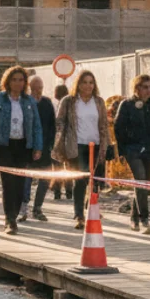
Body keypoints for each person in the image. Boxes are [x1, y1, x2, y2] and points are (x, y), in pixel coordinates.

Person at [0, 66, 44, 235]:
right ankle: (10, 220)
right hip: (4, 146)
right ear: (8, 81)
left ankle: (14, 214)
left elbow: (37, 126)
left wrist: (38, 147)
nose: (17, 83)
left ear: (25, 82)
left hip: (23, 146)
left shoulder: (29, 101)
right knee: (8, 184)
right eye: (14, 80)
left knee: (20, 184)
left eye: (21, 80)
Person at [54, 70, 108, 230]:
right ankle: (79, 215)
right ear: (78, 84)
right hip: (76, 145)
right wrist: (61, 140)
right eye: (85, 82)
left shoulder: (98, 102)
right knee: (81, 179)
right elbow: (60, 121)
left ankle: (92, 207)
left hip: (96, 144)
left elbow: (104, 124)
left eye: (91, 82)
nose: (88, 86)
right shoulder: (69, 101)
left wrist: (107, 145)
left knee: (95, 180)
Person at [114, 74, 150, 234]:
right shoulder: (127, 104)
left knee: (145, 185)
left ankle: (134, 217)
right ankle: (144, 219)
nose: (149, 90)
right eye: (145, 87)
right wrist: (122, 151)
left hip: (148, 149)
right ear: (137, 88)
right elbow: (118, 128)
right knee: (140, 179)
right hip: (132, 149)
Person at [20, 74, 57, 223]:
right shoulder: (24, 102)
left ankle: (38, 208)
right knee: (26, 179)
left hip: (45, 148)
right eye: (34, 88)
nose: (37, 91)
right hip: (27, 148)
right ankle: (23, 208)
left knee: (45, 179)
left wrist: (51, 145)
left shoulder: (47, 103)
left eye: (40, 88)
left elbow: (52, 125)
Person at [50, 84, 74, 206]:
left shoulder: (54, 105)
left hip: (56, 140)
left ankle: (57, 191)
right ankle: (69, 191)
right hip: (68, 140)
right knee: (69, 167)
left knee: (57, 167)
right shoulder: (70, 105)